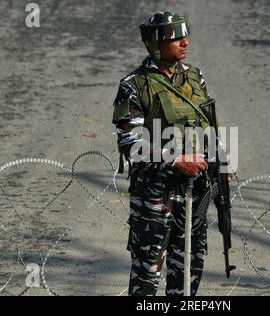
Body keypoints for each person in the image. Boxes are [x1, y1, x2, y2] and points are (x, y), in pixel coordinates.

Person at [112, 11, 218, 296]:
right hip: (154, 196)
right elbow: (130, 143)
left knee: (189, 271)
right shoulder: (134, 85)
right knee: (147, 274)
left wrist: (218, 165)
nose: (184, 43)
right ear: (156, 44)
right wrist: (174, 160)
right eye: (176, 38)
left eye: (185, 36)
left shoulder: (195, 78)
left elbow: (207, 127)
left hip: (194, 192)